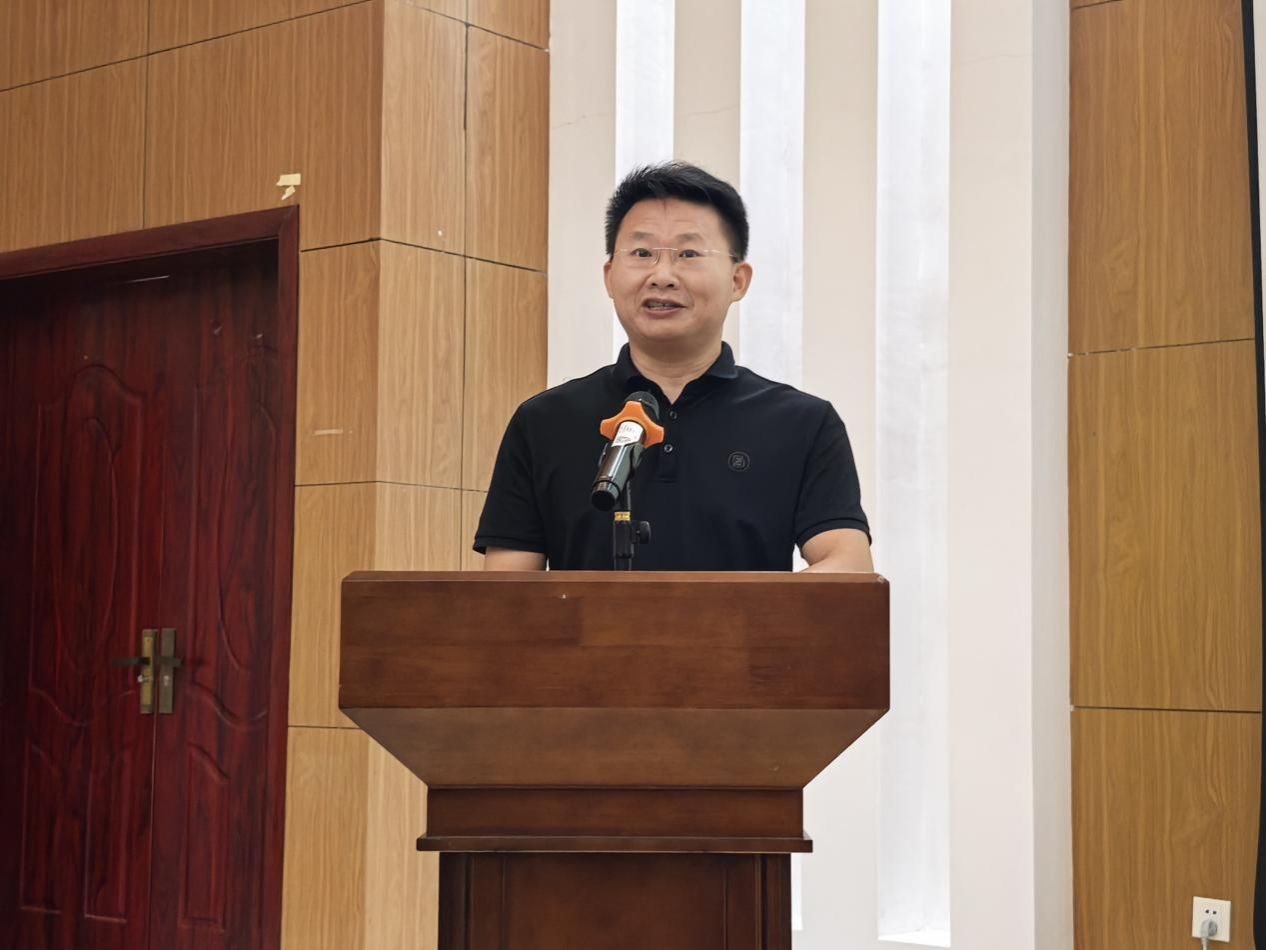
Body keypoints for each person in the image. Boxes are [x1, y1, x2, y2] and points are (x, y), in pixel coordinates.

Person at [474, 161, 872, 573]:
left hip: (745, 622)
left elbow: (848, 565)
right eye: (642, 253)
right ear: (609, 276)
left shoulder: (802, 423)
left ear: (738, 280)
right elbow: (506, 589)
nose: (662, 276)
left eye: (689, 254)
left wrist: (725, 611)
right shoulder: (545, 422)